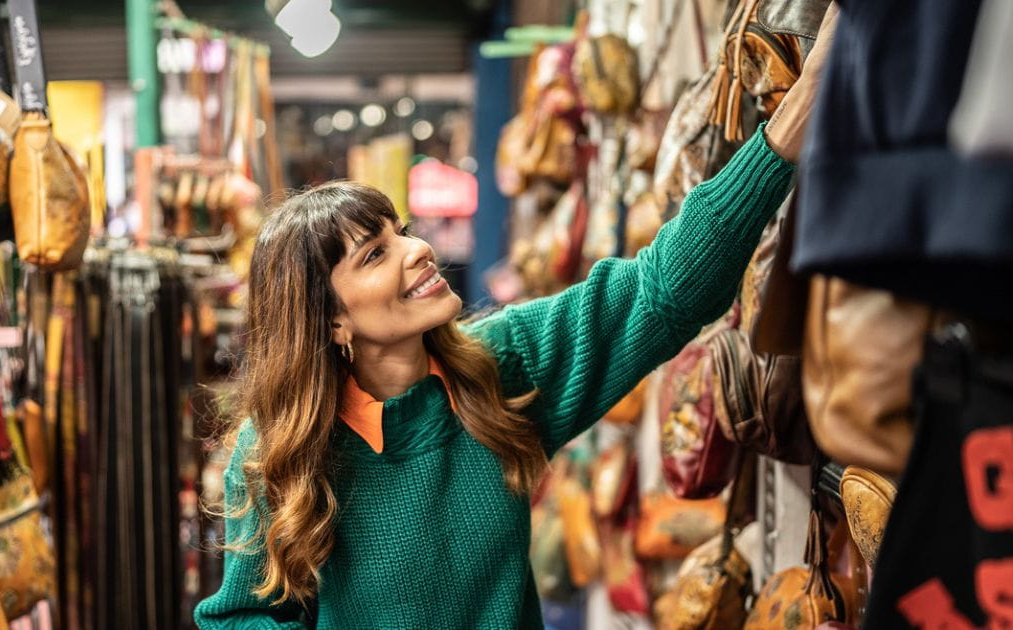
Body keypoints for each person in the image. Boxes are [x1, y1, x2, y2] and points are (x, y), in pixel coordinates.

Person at [194, 9, 836, 628]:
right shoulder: (278, 450)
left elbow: (664, 290)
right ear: (332, 322)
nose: (419, 249)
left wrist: (790, 125)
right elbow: (246, 616)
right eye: (376, 254)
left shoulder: (497, 369)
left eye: (404, 231)